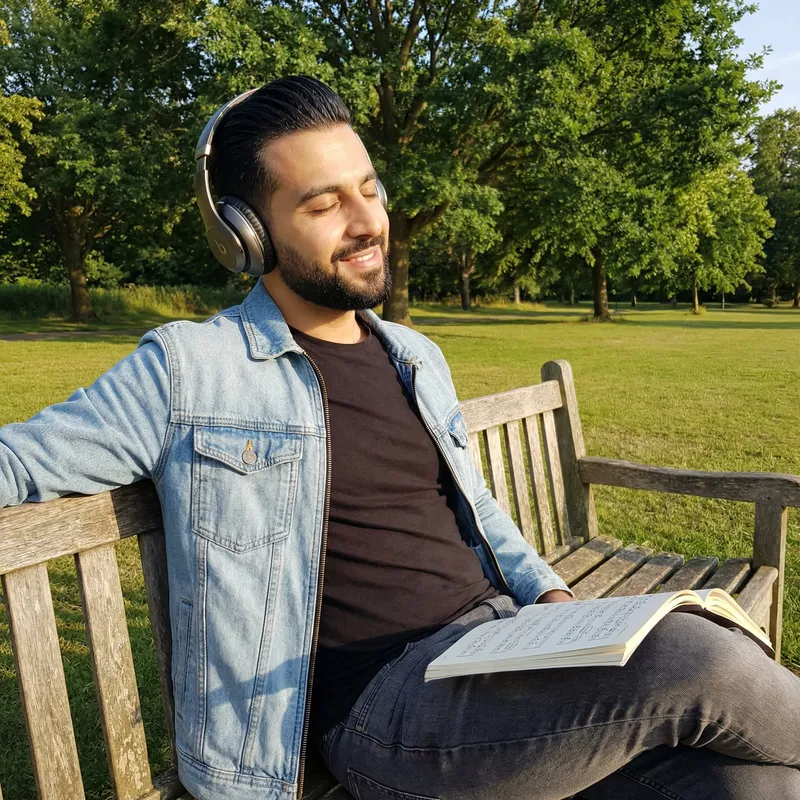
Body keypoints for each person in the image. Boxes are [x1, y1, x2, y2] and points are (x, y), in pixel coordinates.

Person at [0, 76, 798, 800]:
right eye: (322, 205)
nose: (365, 221)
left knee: (747, 786)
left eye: (370, 189)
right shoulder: (189, 369)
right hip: (384, 713)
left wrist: (552, 600)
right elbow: (20, 461)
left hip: (502, 652)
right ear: (248, 234)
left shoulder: (413, 354)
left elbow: (476, 504)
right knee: (701, 659)